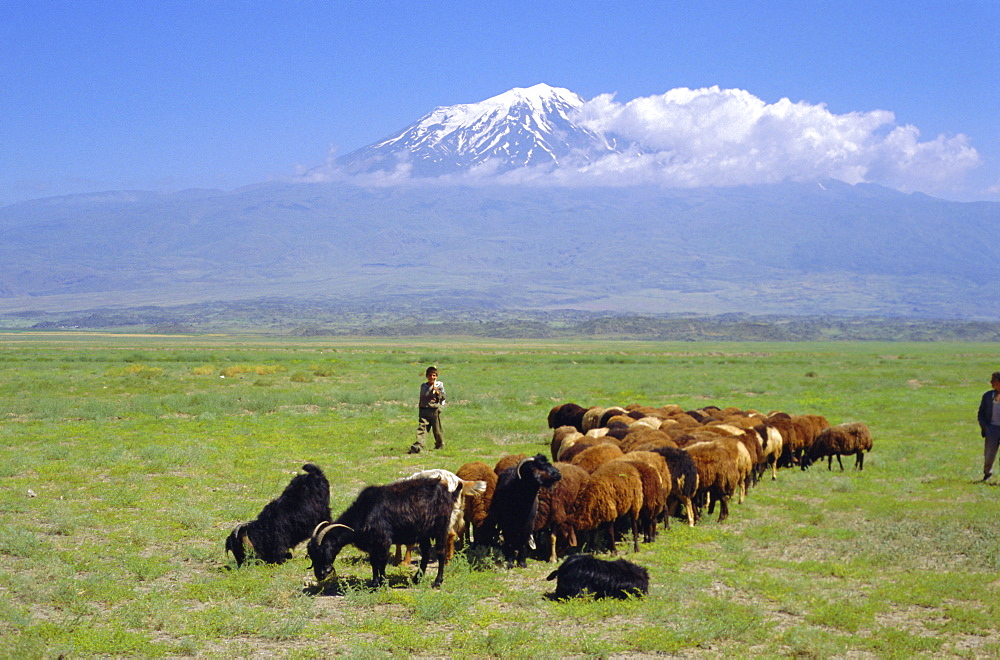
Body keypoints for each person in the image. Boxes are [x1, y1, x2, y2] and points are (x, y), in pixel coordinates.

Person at [408, 366, 446, 454]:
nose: (432, 377)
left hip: (434, 410)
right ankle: (418, 445)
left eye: (434, 375)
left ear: (436, 376)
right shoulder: (423, 386)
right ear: (426, 376)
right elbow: (422, 398)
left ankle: (440, 444)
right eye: (430, 375)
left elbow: (443, 397)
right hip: (424, 410)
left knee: (437, 429)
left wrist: (437, 393)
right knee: (422, 428)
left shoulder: (439, 386)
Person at [977, 371, 1000, 481]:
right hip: (992, 429)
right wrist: (985, 427)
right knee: (989, 454)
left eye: (993, 380)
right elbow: (981, 413)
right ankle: (987, 474)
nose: (991, 382)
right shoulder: (987, 396)